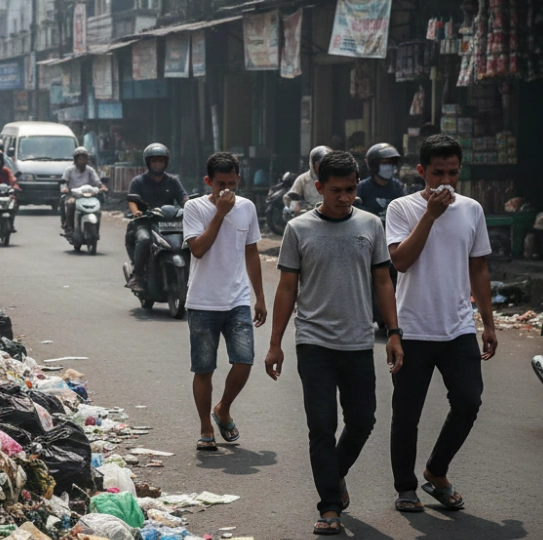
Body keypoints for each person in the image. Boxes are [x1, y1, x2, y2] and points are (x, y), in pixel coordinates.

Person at [265, 150, 403, 536]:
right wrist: (275, 344)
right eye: (336, 190)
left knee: (363, 421)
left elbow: (382, 281)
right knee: (322, 426)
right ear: (319, 188)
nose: (345, 197)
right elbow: (287, 288)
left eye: (351, 189)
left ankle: (335, 473)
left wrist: (394, 332)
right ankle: (329, 506)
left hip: (359, 342)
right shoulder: (298, 229)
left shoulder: (372, 225)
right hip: (314, 343)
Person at [385, 134, 496, 514]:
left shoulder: (472, 210)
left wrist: (489, 323)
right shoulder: (401, 208)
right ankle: (406, 488)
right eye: (437, 173)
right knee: (407, 414)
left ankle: (436, 471)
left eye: (451, 173)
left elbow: (479, 267)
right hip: (413, 328)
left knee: (468, 401)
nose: (445, 182)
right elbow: (400, 261)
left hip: (458, 327)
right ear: (421, 172)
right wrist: (430, 215)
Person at [183, 152, 266, 451]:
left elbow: (252, 252)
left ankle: (223, 408)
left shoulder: (247, 208)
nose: (227, 191)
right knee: (204, 369)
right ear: (208, 182)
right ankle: (206, 427)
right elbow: (198, 249)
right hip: (203, 301)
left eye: (232, 183)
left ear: (239, 180)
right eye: (220, 184)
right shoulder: (194, 208)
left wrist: (260, 297)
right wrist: (219, 213)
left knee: (244, 361)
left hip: (238, 299)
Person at [125, 143, 188, 292]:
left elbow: (183, 198)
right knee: (144, 240)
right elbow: (132, 200)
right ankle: (138, 276)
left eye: (161, 161)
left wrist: (190, 205)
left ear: (166, 162)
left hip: (170, 224)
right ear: (148, 163)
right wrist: (136, 212)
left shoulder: (172, 181)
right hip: (145, 223)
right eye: (154, 161)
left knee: (189, 241)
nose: (158, 164)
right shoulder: (138, 181)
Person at [60, 146, 106, 234]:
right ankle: (69, 226)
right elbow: (64, 182)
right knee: (70, 205)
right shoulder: (69, 170)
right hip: (73, 195)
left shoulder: (90, 170)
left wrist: (102, 187)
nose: (82, 161)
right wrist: (64, 189)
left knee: (98, 207)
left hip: (89, 196)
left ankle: (96, 229)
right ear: (76, 160)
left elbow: (97, 181)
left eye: (83, 159)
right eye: (80, 159)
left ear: (86, 160)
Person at [356, 143, 404, 216]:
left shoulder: (399, 187)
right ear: (374, 165)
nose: (389, 166)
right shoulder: (361, 188)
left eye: (392, 163)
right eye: (385, 163)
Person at [284, 145, 331, 215]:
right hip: (309, 219)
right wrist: (295, 207)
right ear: (313, 164)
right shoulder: (303, 179)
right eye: (320, 163)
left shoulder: (336, 179)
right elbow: (289, 198)